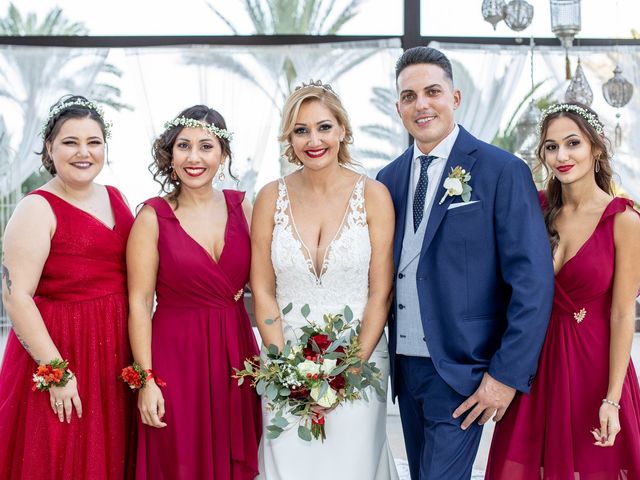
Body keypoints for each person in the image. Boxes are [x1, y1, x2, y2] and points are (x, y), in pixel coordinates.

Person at [375, 46, 555, 480]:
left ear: (454, 98)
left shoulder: (501, 170)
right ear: (399, 106)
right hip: (404, 367)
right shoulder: (387, 180)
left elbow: (532, 281)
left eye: (432, 91)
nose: (421, 104)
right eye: (409, 96)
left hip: (464, 370)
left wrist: (505, 375)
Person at [251, 81, 399, 479]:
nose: (313, 140)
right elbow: (263, 290)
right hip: (283, 356)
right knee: (289, 464)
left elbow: (380, 293)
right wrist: (285, 370)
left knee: (352, 465)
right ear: (290, 138)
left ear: (342, 130)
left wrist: (349, 372)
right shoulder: (268, 197)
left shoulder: (374, 195)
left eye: (323, 127)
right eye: (301, 130)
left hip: (359, 358)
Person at [485, 102, 640, 479]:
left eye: (573, 143)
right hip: (534, 363)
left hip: (594, 368)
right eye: (551, 147)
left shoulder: (624, 220)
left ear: (596, 148)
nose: (561, 156)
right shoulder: (535, 208)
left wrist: (612, 400)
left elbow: (622, 315)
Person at [0, 95, 135, 479]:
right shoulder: (36, 208)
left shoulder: (117, 198)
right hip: (62, 349)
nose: (84, 152)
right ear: (49, 148)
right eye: (70, 142)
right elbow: (16, 296)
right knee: (60, 455)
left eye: (94, 142)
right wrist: (56, 371)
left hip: (113, 352)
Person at [128, 105, 261, 479]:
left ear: (223, 154)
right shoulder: (152, 217)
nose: (194, 157)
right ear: (170, 155)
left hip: (236, 353)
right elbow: (139, 304)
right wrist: (146, 380)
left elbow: (266, 283)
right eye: (184, 146)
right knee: (179, 458)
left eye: (206, 146)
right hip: (176, 355)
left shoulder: (243, 206)